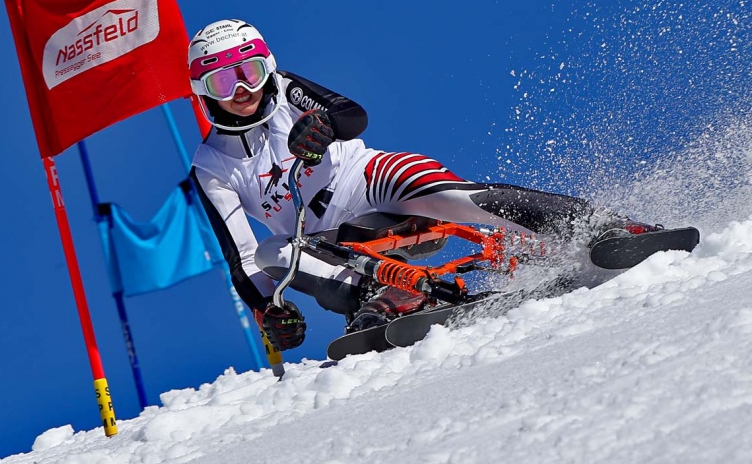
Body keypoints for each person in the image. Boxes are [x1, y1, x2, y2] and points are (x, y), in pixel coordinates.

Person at [188, 19, 657, 352]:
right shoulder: (210, 165)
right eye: (223, 81)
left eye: (248, 74)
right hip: (330, 240)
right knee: (273, 253)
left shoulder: (288, 88)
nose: (242, 91)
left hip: (367, 181)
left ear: (267, 68)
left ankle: (601, 227)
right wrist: (267, 310)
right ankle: (384, 297)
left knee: (458, 196)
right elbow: (243, 256)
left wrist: (325, 126)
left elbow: (352, 114)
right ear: (205, 93)